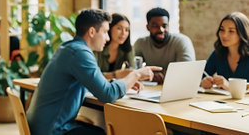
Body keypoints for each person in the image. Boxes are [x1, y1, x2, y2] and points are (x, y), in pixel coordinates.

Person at [26, 9, 160, 135]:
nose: (107, 38)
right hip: (53, 130)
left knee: (101, 129)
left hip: (43, 125)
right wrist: (135, 74)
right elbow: (107, 94)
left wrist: (124, 82)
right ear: (91, 32)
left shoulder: (69, 47)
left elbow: (94, 81)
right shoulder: (80, 53)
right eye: (105, 32)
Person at [133, 7, 196, 83]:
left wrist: (157, 75)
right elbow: (132, 69)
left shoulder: (182, 41)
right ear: (148, 27)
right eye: (155, 26)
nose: (161, 30)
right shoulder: (141, 43)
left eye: (164, 26)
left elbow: (187, 71)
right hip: (150, 90)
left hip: (177, 87)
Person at [200, 12, 249, 90]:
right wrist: (203, 82)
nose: (224, 35)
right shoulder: (217, 54)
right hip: (222, 101)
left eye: (231, 31)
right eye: (222, 29)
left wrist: (230, 86)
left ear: (242, 33)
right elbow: (201, 77)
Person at [95, 13, 135, 79]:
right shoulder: (98, 47)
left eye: (127, 30)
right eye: (119, 28)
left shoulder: (127, 48)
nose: (123, 33)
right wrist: (116, 75)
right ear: (109, 28)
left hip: (112, 86)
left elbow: (133, 70)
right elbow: (92, 76)